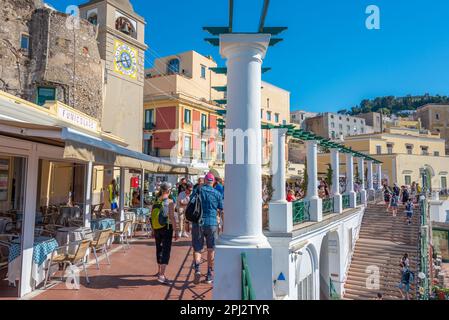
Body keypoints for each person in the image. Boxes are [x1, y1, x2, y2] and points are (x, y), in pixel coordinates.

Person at [191, 173, 223, 285]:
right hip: (212, 224)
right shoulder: (217, 193)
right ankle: (209, 275)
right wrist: (222, 225)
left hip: (198, 223)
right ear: (213, 182)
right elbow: (221, 208)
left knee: (197, 249)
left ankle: (197, 269)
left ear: (205, 181)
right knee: (211, 249)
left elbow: (191, 203)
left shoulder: (198, 190)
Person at [150, 182, 178, 284]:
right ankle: (162, 275)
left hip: (157, 228)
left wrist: (153, 229)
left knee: (159, 248)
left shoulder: (156, 201)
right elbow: (172, 217)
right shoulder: (170, 201)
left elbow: (151, 216)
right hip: (166, 228)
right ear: (168, 190)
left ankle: (159, 271)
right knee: (166, 250)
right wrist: (176, 230)